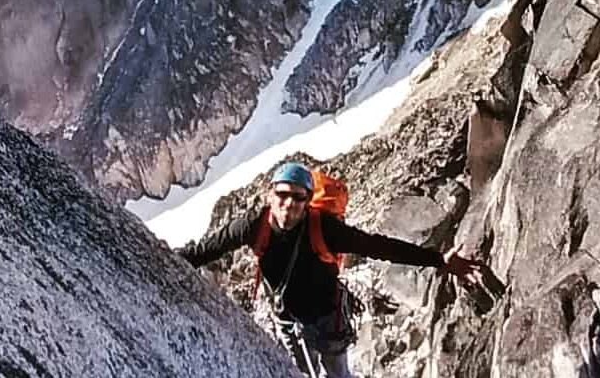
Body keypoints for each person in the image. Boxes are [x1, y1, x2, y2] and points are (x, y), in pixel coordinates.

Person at [177, 161, 485, 377]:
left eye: (298, 197)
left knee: (337, 372)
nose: (288, 203)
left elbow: (379, 247)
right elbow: (208, 248)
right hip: (287, 318)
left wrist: (439, 260)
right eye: (282, 194)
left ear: (308, 201)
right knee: (302, 369)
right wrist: (162, 255)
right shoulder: (252, 225)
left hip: (327, 319)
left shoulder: (324, 228)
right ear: (270, 196)